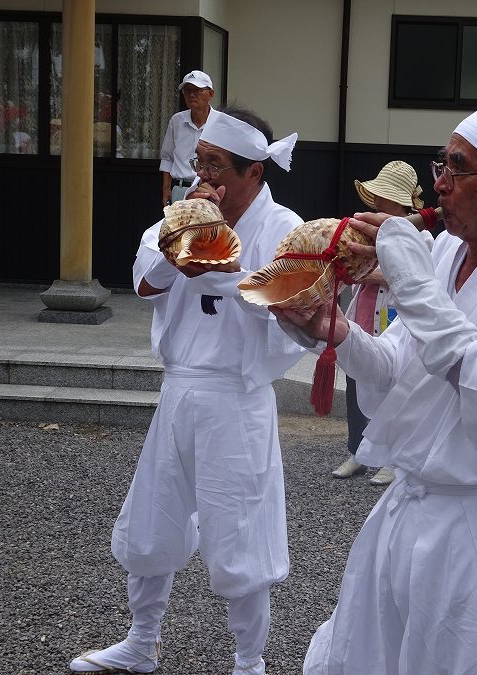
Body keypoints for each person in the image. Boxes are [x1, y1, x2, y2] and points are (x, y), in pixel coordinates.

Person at [275, 101, 477, 674]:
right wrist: (336, 332)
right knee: (366, 656)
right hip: (408, 506)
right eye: (440, 164)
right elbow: (401, 368)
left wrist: (411, 279)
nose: (438, 183)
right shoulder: (448, 249)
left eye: (456, 167)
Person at [69, 105, 305, 675]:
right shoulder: (177, 215)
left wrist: (224, 266)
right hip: (179, 390)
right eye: (200, 161)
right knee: (155, 519)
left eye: (218, 165)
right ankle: (141, 641)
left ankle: (250, 662)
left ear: (255, 173)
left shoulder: (285, 228)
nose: (204, 175)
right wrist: (184, 248)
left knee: (241, 531)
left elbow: (292, 309)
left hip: (238, 396)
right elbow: (144, 280)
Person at [332, 160, 427, 487]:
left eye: (385, 197)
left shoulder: (422, 239)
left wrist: (361, 271)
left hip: (396, 321)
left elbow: (404, 277)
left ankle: (392, 458)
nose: (378, 202)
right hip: (364, 314)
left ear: (402, 203)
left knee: (394, 387)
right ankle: (358, 452)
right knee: (357, 383)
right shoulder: (367, 230)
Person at [160, 70, 215, 207]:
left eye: (197, 90)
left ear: (210, 94)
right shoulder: (176, 121)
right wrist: (166, 189)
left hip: (207, 190)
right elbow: (167, 157)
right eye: (187, 91)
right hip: (179, 189)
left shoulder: (220, 123)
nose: (191, 95)